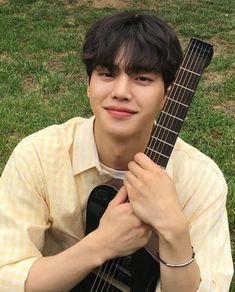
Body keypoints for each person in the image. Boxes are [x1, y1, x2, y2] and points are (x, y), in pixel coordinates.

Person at [0, 11, 233, 292]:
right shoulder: (37, 157)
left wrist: (173, 228)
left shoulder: (200, 180)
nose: (121, 91)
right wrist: (101, 244)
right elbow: (7, 276)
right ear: (88, 85)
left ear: (167, 94)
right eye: (107, 74)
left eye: (142, 78)